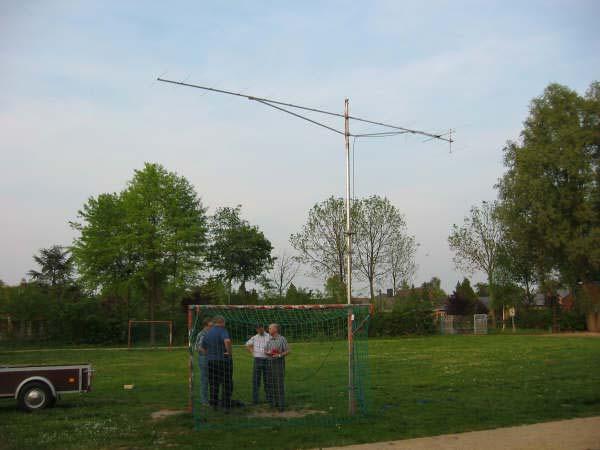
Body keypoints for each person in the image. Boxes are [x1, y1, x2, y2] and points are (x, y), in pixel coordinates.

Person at [201, 315, 233, 410]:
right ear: (222, 322)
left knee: (213, 384)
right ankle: (226, 406)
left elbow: (202, 348)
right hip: (223, 361)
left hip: (211, 362)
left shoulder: (207, 333)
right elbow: (227, 341)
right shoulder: (223, 330)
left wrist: (210, 353)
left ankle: (214, 405)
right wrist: (229, 352)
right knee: (226, 383)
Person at [264, 323, 289, 412]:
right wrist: (268, 352)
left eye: (270, 328)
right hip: (269, 363)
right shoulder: (269, 340)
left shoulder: (282, 339)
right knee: (271, 383)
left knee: (279, 383)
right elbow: (265, 351)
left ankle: (281, 405)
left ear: (276, 329)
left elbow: (287, 351)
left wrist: (279, 355)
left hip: (278, 363)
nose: (268, 329)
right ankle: (274, 403)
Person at [245, 324, 271, 404]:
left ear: (263, 328)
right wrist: (252, 352)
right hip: (257, 360)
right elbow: (247, 345)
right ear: (256, 329)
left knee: (267, 380)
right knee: (256, 380)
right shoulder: (254, 337)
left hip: (267, 360)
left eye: (261, 328)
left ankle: (269, 398)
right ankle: (255, 400)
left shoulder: (269, 336)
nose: (259, 330)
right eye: (258, 329)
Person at [194, 318, 212, 405]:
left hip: (210, 358)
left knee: (211, 379)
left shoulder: (209, 334)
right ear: (205, 326)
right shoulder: (203, 334)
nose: (212, 328)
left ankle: (211, 399)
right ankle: (204, 400)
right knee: (204, 379)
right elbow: (199, 348)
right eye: (210, 326)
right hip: (204, 359)